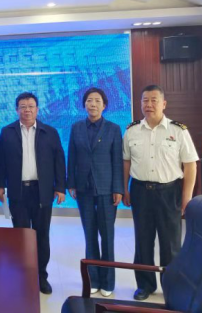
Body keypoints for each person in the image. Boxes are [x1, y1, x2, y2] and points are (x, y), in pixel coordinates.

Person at [123, 85, 198, 301]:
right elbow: (126, 162)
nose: (149, 104)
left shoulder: (178, 131)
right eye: (145, 100)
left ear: (164, 104)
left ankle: (171, 287)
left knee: (170, 244)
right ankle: (145, 286)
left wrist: (187, 197)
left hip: (169, 192)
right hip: (140, 191)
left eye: (154, 100)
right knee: (143, 241)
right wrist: (125, 188)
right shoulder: (132, 131)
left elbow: (190, 165)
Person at [0, 92, 66, 295]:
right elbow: (1, 162)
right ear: (16, 109)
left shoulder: (49, 132)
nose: (27, 110)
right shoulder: (7, 132)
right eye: (23, 106)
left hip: (42, 191)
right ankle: (24, 275)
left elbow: (59, 161)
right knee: (21, 235)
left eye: (31, 106)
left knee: (41, 235)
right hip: (18, 192)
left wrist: (60, 187)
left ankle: (41, 276)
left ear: (37, 109)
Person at [67, 88, 123, 297]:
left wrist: (118, 188)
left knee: (107, 236)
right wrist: (71, 183)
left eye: (97, 101)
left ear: (104, 105)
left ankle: (108, 282)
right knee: (89, 234)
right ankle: (93, 279)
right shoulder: (76, 127)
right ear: (84, 105)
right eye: (89, 100)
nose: (93, 104)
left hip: (107, 189)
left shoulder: (113, 129)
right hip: (84, 189)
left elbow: (117, 161)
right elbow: (72, 157)